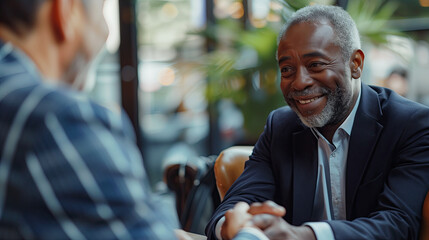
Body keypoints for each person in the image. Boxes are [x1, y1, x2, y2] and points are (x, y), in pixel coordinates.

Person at [0, 1, 271, 239]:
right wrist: (248, 233)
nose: (106, 33)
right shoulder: (57, 119)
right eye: (103, 8)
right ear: (65, 10)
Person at [206, 5, 429, 240]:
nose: (300, 82)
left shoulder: (410, 125)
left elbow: (397, 224)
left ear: (355, 64)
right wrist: (236, 225)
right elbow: (234, 206)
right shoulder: (280, 127)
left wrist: (303, 236)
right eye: (287, 69)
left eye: (316, 65)